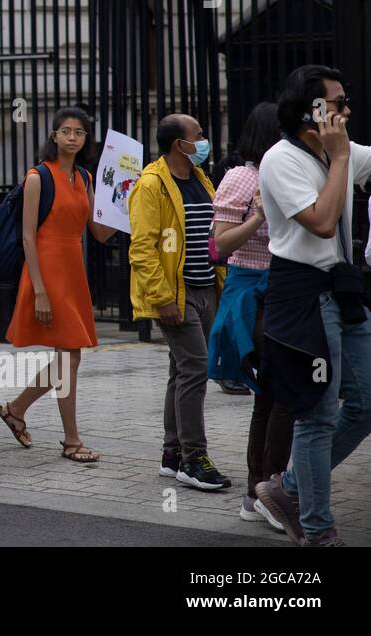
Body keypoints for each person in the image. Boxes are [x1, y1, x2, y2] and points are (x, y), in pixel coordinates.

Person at [254, 66, 371, 547]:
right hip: (302, 295)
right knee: (317, 415)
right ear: (312, 110)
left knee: (365, 404)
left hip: (342, 292)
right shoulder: (280, 160)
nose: (346, 112)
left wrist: (341, 154)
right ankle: (319, 532)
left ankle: (289, 489)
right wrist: (340, 156)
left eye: (346, 103)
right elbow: (322, 222)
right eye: (338, 103)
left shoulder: (338, 151)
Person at [0, 107, 117, 463]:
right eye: (66, 131)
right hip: (46, 271)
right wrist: (40, 291)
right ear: (54, 136)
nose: (72, 138)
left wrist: (124, 207)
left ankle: (16, 410)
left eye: (79, 132)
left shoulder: (85, 177)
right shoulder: (37, 177)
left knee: (70, 356)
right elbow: (28, 238)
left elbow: (98, 232)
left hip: (72, 269)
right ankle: (70, 440)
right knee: (70, 355)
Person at [129, 113, 229, 491]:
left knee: (181, 370)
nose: (204, 141)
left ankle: (172, 454)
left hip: (205, 289)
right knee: (196, 370)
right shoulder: (151, 185)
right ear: (179, 144)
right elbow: (142, 248)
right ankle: (193, 457)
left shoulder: (200, 179)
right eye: (198, 135)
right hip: (175, 295)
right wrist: (161, 298)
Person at [202, 102, 289, 525]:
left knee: (280, 397)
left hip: (285, 293)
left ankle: (268, 487)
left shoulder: (290, 171)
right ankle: (261, 490)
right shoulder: (242, 177)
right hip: (252, 293)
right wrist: (257, 215)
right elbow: (219, 246)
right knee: (272, 397)